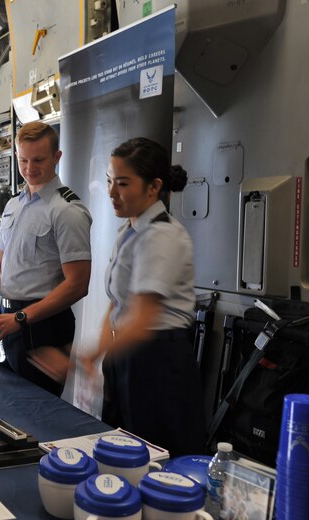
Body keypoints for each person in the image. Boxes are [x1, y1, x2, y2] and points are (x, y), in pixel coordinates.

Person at [88, 137, 204, 455]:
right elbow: (118, 304)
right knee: (120, 450)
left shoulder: (162, 236)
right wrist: (100, 354)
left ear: (153, 187)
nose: (112, 192)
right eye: (111, 181)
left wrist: (87, 355)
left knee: (155, 457)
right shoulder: (129, 231)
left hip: (158, 361)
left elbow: (143, 316)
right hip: (127, 353)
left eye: (122, 183)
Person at [0, 121, 92, 396]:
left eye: (38, 160)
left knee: (36, 413)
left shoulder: (67, 210)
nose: (29, 168)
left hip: (41, 326)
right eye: (23, 160)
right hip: (7, 319)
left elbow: (78, 284)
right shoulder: (15, 204)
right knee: (5, 402)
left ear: (57, 158)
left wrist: (22, 318)